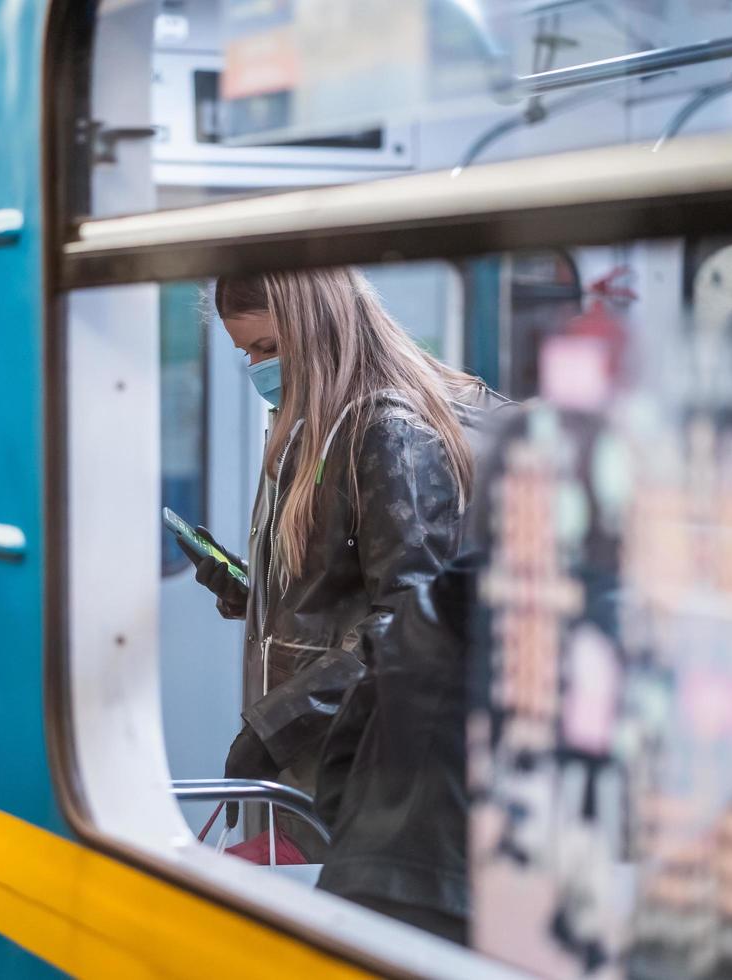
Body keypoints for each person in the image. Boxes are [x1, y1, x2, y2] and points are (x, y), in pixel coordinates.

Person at [183, 266, 513, 870]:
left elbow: (411, 620)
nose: (259, 369)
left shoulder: (387, 431)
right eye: (248, 354)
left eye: (268, 348)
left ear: (318, 327)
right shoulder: (316, 427)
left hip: (367, 771)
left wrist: (276, 725)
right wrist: (252, 592)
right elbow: (341, 592)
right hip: (324, 760)